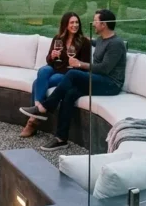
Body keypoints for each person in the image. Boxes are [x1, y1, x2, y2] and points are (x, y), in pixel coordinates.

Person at [20, 9, 127, 151]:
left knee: (73, 74)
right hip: (99, 79)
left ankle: (45, 107)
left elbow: (105, 69)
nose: (93, 24)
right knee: (69, 94)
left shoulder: (116, 44)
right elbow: (91, 45)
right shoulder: (102, 40)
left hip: (110, 84)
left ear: (104, 24)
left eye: (95, 21)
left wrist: (80, 64)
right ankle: (61, 139)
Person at [20, 12, 92, 138]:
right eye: (72, 23)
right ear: (65, 24)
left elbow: (85, 65)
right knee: (43, 71)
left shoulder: (84, 42)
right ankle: (38, 108)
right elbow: (49, 60)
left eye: (76, 22)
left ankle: (32, 122)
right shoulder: (58, 38)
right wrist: (52, 56)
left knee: (37, 83)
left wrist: (76, 63)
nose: (75, 25)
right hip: (55, 67)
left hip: (67, 73)